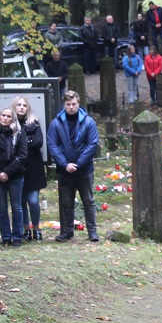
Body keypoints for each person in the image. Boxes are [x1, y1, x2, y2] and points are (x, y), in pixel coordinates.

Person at [48, 91, 100, 242]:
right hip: (64, 170)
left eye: (73, 104)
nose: (71, 107)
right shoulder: (56, 123)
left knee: (88, 200)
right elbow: (52, 145)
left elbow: (92, 144)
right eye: (68, 104)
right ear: (64, 105)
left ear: (78, 104)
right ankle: (67, 231)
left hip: (84, 169)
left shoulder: (88, 122)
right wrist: (65, 164)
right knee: (66, 202)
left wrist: (79, 164)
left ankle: (92, 232)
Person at [0, 107, 27, 246]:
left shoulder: (19, 133)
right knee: (2, 208)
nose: (5, 118)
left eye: (8, 116)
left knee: (16, 207)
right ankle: (5, 236)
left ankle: (17, 236)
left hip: (15, 175)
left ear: (13, 119)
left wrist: (7, 172)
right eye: (3, 115)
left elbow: (22, 155)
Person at [13, 97, 46, 242]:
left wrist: (23, 142)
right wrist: (27, 141)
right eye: (19, 105)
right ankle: (26, 229)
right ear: (14, 107)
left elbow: (38, 142)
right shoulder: (11, 123)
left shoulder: (34, 123)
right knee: (21, 202)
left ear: (28, 108)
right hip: (17, 167)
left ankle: (36, 228)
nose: (21, 107)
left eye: (24, 105)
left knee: (33, 201)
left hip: (34, 167)